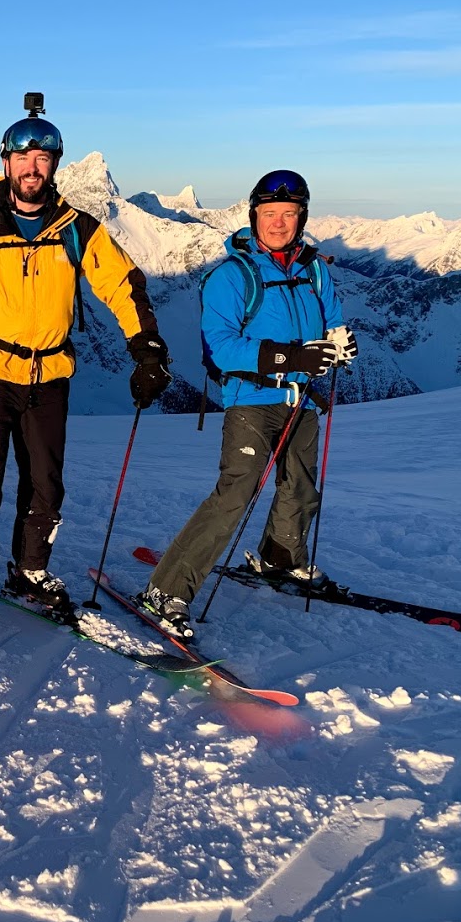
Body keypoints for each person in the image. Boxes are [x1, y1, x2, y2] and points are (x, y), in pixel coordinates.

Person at [0, 96, 172, 663]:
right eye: (23, 158)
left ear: (55, 164)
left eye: (43, 158)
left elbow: (121, 285)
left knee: (45, 487)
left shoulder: (75, 228)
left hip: (49, 376)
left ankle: (29, 572)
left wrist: (147, 346)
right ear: (5, 162)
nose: (33, 168)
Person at [139, 169, 357, 638]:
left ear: (302, 218)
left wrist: (339, 344)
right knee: (235, 494)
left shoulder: (315, 270)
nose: (279, 222)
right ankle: (166, 589)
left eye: (289, 214)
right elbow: (220, 347)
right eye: (270, 213)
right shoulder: (232, 275)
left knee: (301, 489)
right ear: (254, 215)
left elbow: (333, 320)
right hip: (252, 400)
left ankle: (281, 559)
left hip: (304, 400)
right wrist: (290, 357)